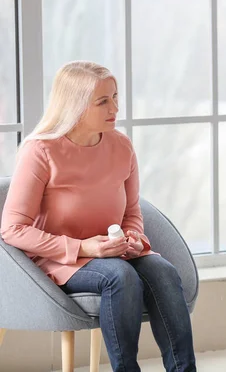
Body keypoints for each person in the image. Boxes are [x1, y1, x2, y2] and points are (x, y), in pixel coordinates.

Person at [0, 61, 196, 372]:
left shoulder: (121, 145)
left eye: (115, 97)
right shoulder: (41, 151)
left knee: (164, 271)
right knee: (119, 276)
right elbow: (12, 230)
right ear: (75, 106)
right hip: (62, 260)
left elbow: (132, 211)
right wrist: (85, 249)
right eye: (103, 101)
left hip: (116, 252)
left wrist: (134, 238)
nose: (114, 107)